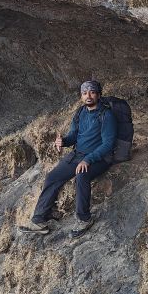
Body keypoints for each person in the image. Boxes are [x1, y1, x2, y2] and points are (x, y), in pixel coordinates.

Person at [20, 80, 116, 237]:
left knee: (82, 175)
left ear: (98, 95)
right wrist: (63, 141)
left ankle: (84, 219)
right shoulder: (80, 113)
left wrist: (88, 160)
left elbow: (108, 144)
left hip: (100, 158)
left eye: (92, 92)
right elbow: (73, 136)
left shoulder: (106, 115)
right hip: (77, 155)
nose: (88, 96)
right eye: (85, 93)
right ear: (81, 96)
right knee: (52, 177)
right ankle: (39, 220)